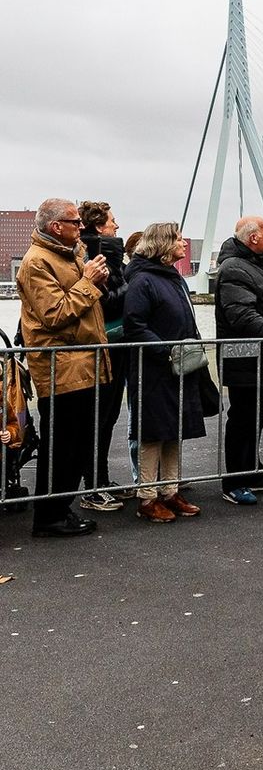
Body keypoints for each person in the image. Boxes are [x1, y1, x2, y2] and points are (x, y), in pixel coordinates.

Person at [16, 198, 111, 537]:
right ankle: (49, 515)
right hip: (61, 366)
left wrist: (95, 280)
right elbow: (54, 314)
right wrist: (88, 282)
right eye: (74, 221)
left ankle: (61, 508)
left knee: (77, 441)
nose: (80, 226)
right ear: (56, 227)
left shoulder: (69, 255)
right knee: (62, 444)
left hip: (80, 363)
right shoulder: (37, 262)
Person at [123, 223, 205, 523]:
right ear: (163, 244)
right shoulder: (143, 280)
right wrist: (167, 350)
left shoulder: (173, 279)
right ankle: (147, 497)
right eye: (178, 239)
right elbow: (135, 325)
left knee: (174, 431)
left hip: (178, 368)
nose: (184, 243)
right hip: (154, 369)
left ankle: (170, 491)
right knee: (153, 434)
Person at [213, 215, 263, 505]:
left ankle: (252, 470)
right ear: (252, 239)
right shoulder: (235, 269)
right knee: (243, 419)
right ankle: (234, 481)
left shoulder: (256, 265)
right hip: (246, 359)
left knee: (257, 416)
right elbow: (240, 314)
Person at [78, 200, 128, 512]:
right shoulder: (97, 257)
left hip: (115, 346)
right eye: (112, 221)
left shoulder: (111, 255)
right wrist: (131, 291)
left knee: (107, 418)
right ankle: (93, 485)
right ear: (99, 226)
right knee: (98, 418)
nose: (117, 226)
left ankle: (102, 479)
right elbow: (104, 300)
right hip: (105, 345)